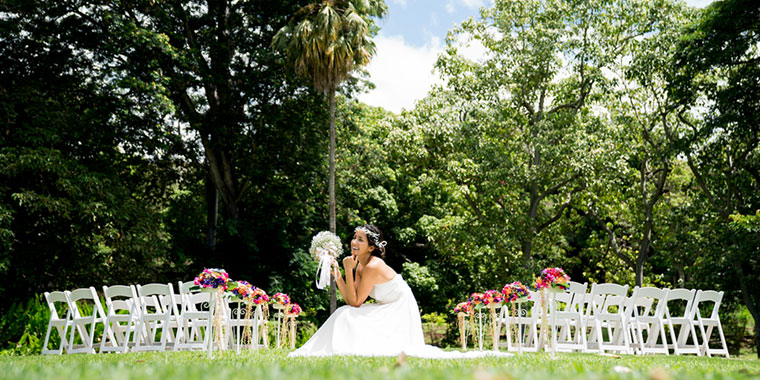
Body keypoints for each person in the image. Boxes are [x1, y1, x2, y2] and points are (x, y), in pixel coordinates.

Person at [288, 225, 510, 358]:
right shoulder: (358, 263)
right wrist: (339, 272)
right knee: (343, 314)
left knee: (347, 315)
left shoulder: (373, 265)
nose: (354, 242)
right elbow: (350, 298)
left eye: (360, 239)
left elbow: (354, 303)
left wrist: (347, 269)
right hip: (385, 306)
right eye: (354, 237)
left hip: (399, 308)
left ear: (371, 247)